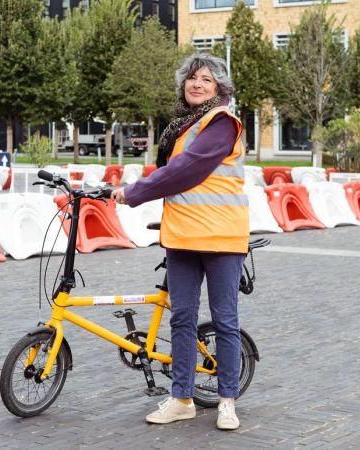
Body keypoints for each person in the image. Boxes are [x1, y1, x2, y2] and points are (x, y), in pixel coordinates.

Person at [111, 53, 248, 431]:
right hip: (184, 235)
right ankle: (182, 398)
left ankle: (226, 401)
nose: (197, 84)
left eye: (206, 79)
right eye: (191, 78)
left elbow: (185, 170)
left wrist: (134, 193)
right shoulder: (182, 125)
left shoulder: (222, 122)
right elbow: (171, 171)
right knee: (183, 318)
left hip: (220, 236)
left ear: (219, 87)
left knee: (224, 321)